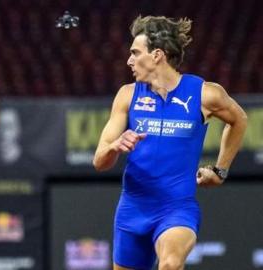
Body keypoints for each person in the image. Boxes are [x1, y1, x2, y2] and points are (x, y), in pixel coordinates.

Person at [93, 16, 247, 270]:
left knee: (170, 264)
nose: (129, 60)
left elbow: (239, 120)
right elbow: (99, 162)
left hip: (177, 208)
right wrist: (114, 146)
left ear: (157, 55)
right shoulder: (127, 96)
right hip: (132, 210)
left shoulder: (204, 94)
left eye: (135, 53)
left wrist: (220, 170)